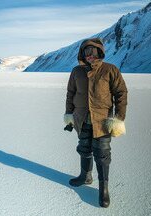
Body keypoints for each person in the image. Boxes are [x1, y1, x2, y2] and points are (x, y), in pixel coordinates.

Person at [64, 38, 128, 208]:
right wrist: (69, 113)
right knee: (84, 148)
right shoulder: (76, 71)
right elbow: (70, 93)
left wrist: (118, 118)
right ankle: (85, 176)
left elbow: (121, 93)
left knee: (102, 154)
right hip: (81, 118)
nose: (90, 56)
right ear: (82, 55)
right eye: (86, 53)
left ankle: (103, 188)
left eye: (93, 52)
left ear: (99, 52)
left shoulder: (110, 70)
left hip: (102, 120)